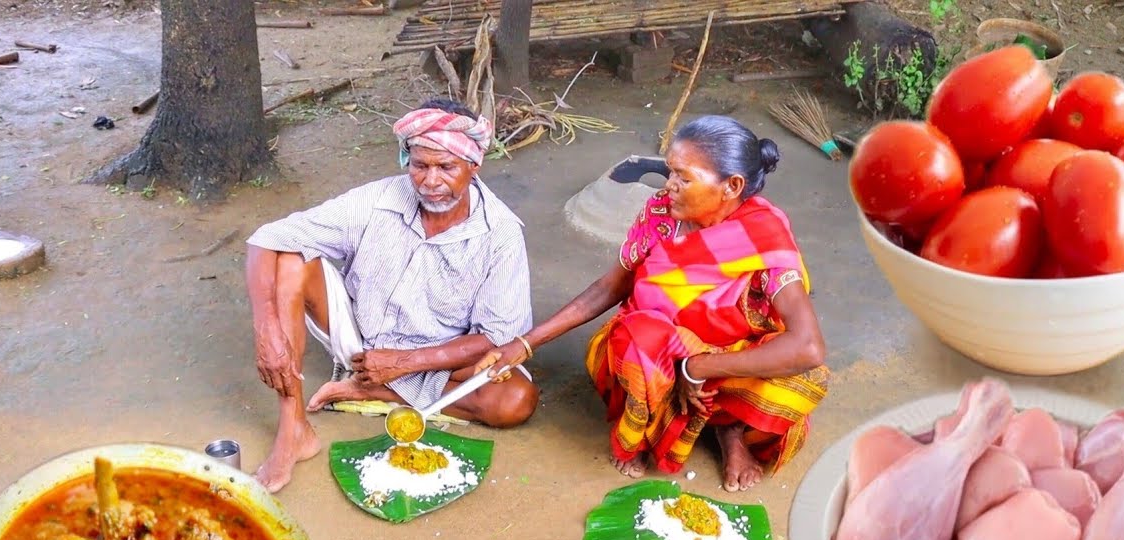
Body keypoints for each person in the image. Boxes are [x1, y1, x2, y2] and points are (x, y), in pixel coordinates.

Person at [477, 115, 829, 492]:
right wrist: (524, 344)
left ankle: (731, 431)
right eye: (670, 172)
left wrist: (699, 367)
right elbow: (610, 287)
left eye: (684, 178)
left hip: (726, 365)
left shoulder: (763, 231)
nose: (669, 185)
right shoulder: (660, 212)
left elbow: (808, 347)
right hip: (662, 357)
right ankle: (645, 429)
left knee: (801, 378)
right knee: (637, 341)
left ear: (732, 186)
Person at [244, 98, 538, 492]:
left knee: (515, 399)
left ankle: (375, 389)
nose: (430, 181)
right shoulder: (377, 200)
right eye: (420, 166)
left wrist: (401, 363)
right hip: (359, 341)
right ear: (406, 160)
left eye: (446, 167)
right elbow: (267, 238)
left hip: (438, 358)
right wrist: (267, 331)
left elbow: (497, 339)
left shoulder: (500, 233)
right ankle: (293, 426)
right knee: (290, 260)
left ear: (474, 165)